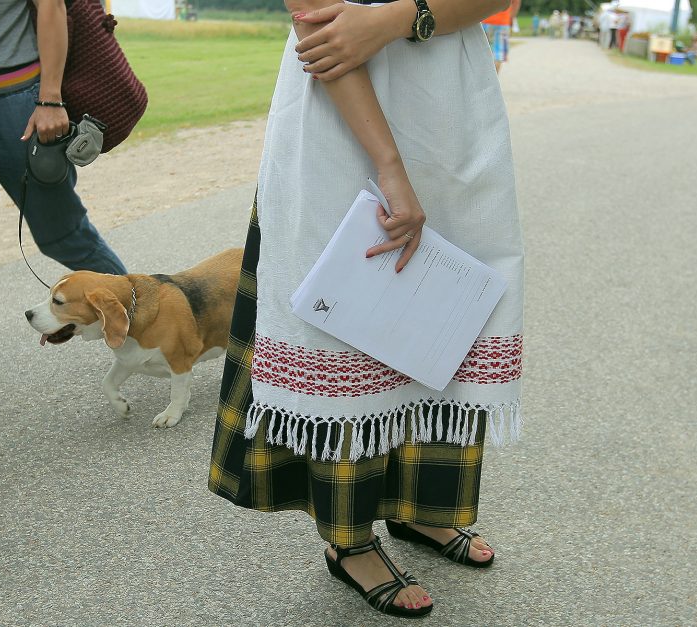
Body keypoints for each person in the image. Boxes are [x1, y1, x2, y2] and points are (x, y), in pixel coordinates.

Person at [207, 0, 525, 618]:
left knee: (444, 321)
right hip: (341, 121)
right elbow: (315, 24)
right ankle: (349, 541)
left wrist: (398, 18)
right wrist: (390, 167)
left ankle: (425, 509)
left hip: (449, 114)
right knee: (350, 332)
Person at [0, 0, 127, 420]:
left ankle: (146, 327)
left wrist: (51, 99)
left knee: (63, 234)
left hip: (17, 104)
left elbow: (51, 7)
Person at [482, 0, 522, 72]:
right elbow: (516, 3)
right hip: (502, 22)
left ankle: (485, 79)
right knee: (498, 54)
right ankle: (493, 81)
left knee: (484, 52)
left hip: (486, 20)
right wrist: (511, 19)